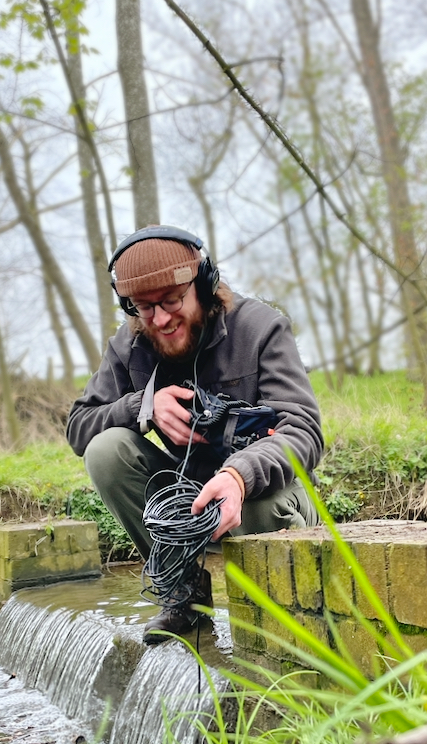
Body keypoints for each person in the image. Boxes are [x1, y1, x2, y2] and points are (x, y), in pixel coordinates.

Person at [66, 225, 323, 644]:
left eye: (171, 301)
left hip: (271, 498)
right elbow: (79, 427)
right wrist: (142, 407)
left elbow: (304, 431)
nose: (161, 319)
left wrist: (239, 474)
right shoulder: (130, 344)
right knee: (105, 450)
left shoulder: (261, 328)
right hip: (190, 497)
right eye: (145, 308)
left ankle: (275, 627)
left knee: (259, 505)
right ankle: (184, 595)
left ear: (203, 285)